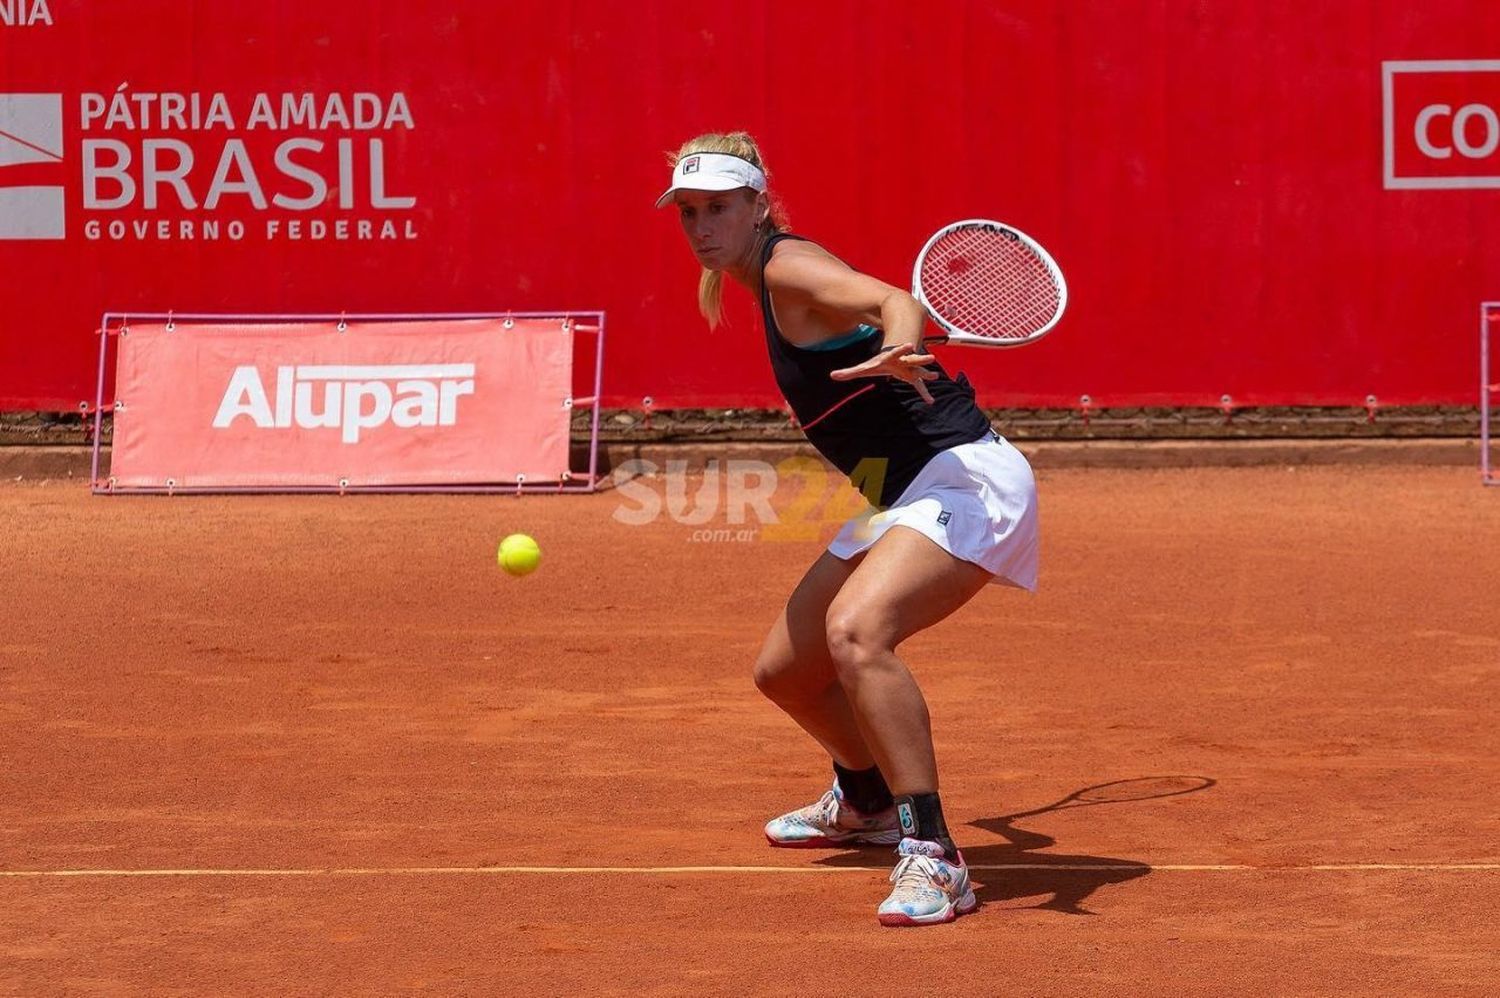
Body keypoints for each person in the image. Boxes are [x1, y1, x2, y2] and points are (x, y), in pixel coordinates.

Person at [655, 132, 1039, 927]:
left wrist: (901, 338)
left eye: (718, 208)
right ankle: (863, 799)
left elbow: (891, 298)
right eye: (688, 212)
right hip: (899, 489)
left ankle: (935, 857)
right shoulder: (752, 279)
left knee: (858, 632)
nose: (701, 227)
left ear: (758, 205)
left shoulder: (788, 266)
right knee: (784, 673)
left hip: (965, 477)